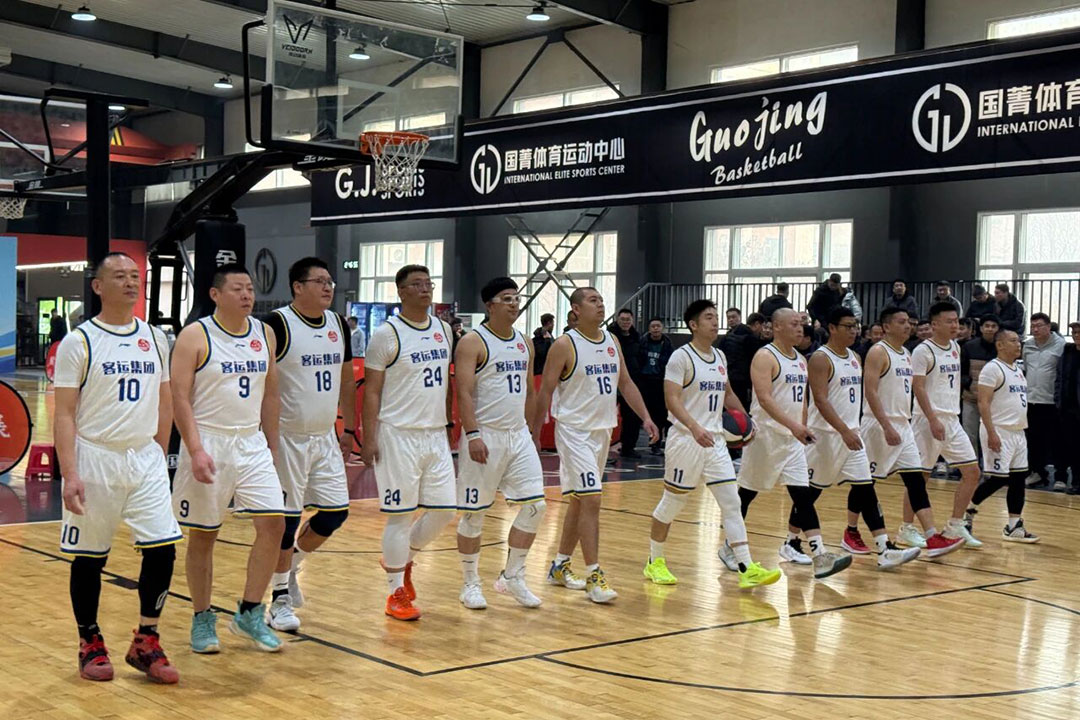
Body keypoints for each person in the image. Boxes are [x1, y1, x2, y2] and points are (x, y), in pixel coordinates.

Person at [53, 253, 181, 683]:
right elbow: (64, 413)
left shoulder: (155, 338)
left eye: (135, 276)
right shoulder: (79, 341)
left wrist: (159, 452)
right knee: (90, 556)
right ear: (98, 286)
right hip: (96, 456)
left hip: (143, 457)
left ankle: (146, 640)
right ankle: (89, 641)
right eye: (120, 276)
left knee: (163, 547)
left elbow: (165, 398)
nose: (130, 283)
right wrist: (70, 472)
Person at [171, 264, 286, 653]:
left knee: (274, 524)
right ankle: (202, 617)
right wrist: (195, 449)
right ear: (215, 294)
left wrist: (272, 445)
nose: (247, 295)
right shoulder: (195, 335)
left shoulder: (264, 333)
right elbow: (179, 397)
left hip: (251, 442)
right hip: (209, 440)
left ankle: (250, 613)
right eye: (238, 288)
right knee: (205, 535)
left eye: (250, 288)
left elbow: (271, 393)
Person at [645, 300, 781, 588]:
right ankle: (654, 561)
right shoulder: (681, 357)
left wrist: (748, 420)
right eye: (708, 317)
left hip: (716, 441)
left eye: (716, 317)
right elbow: (671, 399)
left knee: (732, 502)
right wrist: (694, 427)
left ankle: (746, 567)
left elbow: (728, 394)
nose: (715, 321)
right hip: (686, 440)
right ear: (693, 325)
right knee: (672, 504)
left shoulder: (719, 356)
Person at [535, 287, 658, 603]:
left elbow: (625, 383)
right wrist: (534, 435)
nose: (601, 305)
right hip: (574, 432)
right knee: (592, 499)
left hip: (602, 431)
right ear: (576, 309)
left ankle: (560, 565)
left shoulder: (612, 341)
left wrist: (645, 417)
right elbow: (545, 390)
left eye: (602, 300)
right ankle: (594, 575)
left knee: (579, 501)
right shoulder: (564, 344)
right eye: (593, 301)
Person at [260, 258, 356, 632]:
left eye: (330, 281)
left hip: (324, 436)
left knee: (335, 515)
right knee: (286, 523)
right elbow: (262, 383)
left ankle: (292, 565)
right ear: (298, 287)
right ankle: (278, 601)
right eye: (319, 281)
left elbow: (346, 380)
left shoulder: (337, 324)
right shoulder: (276, 324)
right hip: (287, 437)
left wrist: (349, 428)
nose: (328, 287)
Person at [361, 265, 457, 621]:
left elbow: (445, 382)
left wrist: (449, 422)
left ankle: (404, 561)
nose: (425, 289)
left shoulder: (444, 330)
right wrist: (368, 437)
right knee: (400, 517)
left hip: (434, 433)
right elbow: (372, 391)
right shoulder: (386, 334)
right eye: (417, 284)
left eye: (428, 283)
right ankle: (394, 593)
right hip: (397, 434)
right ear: (401, 292)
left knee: (445, 510)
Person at [736, 308, 851, 579]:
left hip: (792, 440)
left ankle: (820, 555)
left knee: (802, 495)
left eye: (802, 324)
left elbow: (802, 400)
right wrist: (794, 426)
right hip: (766, 438)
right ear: (776, 327)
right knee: (746, 494)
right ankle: (732, 545)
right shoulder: (765, 356)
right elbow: (764, 399)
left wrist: (802, 426)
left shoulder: (800, 359)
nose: (800, 329)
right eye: (794, 324)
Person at [803, 307, 920, 568]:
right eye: (848, 326)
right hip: (825, 436)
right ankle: (790, 541)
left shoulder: (856, 356)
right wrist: (843, 430)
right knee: (809, 494)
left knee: (866, 489)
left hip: (852, 436)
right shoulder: (820, 358)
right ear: (832, 328)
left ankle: (884, 548)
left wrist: (851, 430)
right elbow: (820, 400)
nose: (854, 331)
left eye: (856, 326)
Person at [455, 278, 546, 610]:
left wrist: (532, 433)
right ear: (489, 305)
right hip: (485, 434)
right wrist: (472, 434)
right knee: (474, 515)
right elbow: (463, 392)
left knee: (536, 506)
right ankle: (470, 583)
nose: (514, 303)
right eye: (506, 298)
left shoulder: (525, 342)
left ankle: (512, 575)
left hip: (518, 434)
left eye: (516, 298)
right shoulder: (472, 342)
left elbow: (530, 391)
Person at [860, 307, 963, 557]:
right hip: (877, 424)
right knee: (863, 483)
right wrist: (886, 425)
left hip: (903, 424)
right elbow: (870, 391)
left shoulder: (905, 353)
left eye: (909, 321)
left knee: (916, 481)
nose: (908, 326)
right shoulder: (878, 351)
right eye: (902, 321)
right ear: (886, 327)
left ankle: (932, 536)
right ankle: (850, 530)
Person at [907, 302, 982, 548]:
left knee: (972, 472)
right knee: (920, 477)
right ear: (934, 324)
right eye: (949, 321)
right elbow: (918, 387)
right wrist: (932, 418)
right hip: (927, 420)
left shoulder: (956, 347)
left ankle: (955, 525)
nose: (955, 325)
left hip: (951, 419)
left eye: (956, 321)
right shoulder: (922, 351)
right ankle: (906, 528)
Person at [964, 330, 1040, 542]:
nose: (1019, 344)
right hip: (999, 430)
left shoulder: (1017, 369)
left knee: (1018, 478)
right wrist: (991, 433)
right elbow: (983, 403)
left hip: (1018, 431)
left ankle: (1014, 526)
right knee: (998, 478)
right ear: (1000, 345)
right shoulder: (992, 368)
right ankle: (967, 511)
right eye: (1013, 341)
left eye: (1019, 341)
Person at [1023, 312, 1065, 489]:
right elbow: (1026, 369)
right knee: (1033, 441)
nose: (1035, 329)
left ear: (1048, 326)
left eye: (1039, 326)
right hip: (1031, 400)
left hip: (1051, 402)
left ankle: (1061, 476)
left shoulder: (1061, 345)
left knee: (1056, 440)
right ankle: (1037, 473)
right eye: (1032, 326)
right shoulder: (1027, 345)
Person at [960, 315, 1000, 457]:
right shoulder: (969, 346)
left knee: (992, 435)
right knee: (969, 435)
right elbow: (962, 372)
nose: (990, 329)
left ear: (998, 329)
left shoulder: (1002, 347)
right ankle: (972, 465)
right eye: (987, 326)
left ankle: (991, 467)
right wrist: (968, 384)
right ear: (981, 328)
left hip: (995, 402)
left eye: (993, 326)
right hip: (971, 399)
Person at [608, 308, 644, 458]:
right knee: (607, 416)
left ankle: (628, 447)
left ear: (632, 321)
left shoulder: (637, 337)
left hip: (631, 382)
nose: (625, 322)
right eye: (622, 319)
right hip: (612, 382)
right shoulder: (609, 336)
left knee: (632, 417)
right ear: (617, 320)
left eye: (628, 319)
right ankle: (604, 448)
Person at [638, 317, 674, 455]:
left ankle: (659, 444)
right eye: (653, 326)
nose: (656, 328)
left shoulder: (668, 345)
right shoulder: (642, 343)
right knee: (645, 414)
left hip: (660, 382)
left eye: (658, 326)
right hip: (645, 381)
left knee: (662, 415)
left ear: (662, 328)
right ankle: (637, 443)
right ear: (649, 329)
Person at [719, 312, 766, 409]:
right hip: (743, 380)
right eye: (763, 326)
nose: (763, 330)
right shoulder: (750, 337)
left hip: (728, 376)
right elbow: (755, 361)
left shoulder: (728, 336)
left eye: (733, 317)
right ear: (757, 324)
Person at [1055, 322, 1080, 494]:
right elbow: (1060, 377)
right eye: (1074, 332)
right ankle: (1076, 482)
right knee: (1073, 447)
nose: (1076, 335)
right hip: (1068, 407)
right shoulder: (1068, 352)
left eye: (1079, 332)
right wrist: (1058, 399)